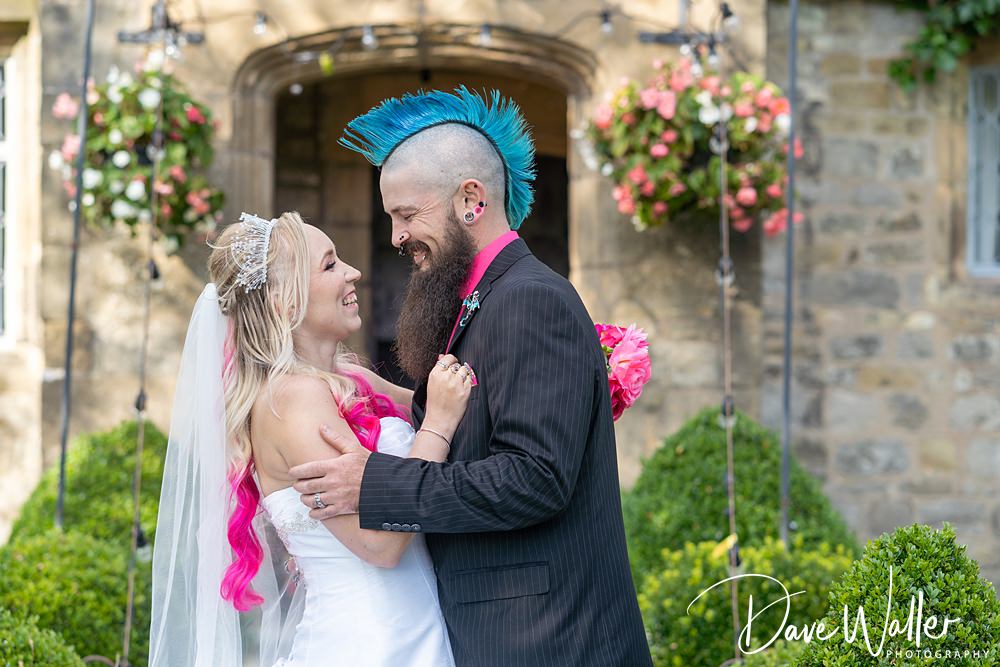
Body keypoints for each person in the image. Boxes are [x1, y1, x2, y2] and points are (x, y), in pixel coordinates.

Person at [290, 88, 653, 666]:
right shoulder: (485, 301)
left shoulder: (531, 300)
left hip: (549, 640)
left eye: (407, 215)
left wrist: (378, 484)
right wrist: (395, 397)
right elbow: (487, 424)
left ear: (471, 200)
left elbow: (535, 477)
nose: (396, 237)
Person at [149, 210, 472, 666]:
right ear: (285, 302)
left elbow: (453, 402)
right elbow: (380, 544)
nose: (353, 272)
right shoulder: (293, 401)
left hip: (413, 630)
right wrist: (437, 423)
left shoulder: (347, 377)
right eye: (329, 265)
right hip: (370, 644)